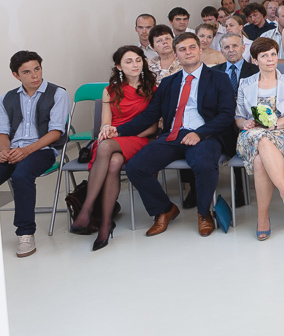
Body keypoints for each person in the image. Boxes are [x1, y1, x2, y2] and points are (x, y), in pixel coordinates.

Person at [118, 32, 236, 237]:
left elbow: (226, 115)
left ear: (200, 50)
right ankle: (164, 209)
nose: (187, 52)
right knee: (135, 167)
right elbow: (150, 115)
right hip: (173, 135)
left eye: (192, 47)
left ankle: (204, 213)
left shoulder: (219, 78)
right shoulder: (168, 83)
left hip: (205, 135)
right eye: (182, 49)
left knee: (204, 164)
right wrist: (119, 130)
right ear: (175, 55)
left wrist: (199, 134)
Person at [71, 46, 157, 249]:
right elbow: (106, 123)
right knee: (114, 161)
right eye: (129, 61)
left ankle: (87, 209)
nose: (135, 65)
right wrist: (106, 130)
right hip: (112, 139)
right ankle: (105, 224)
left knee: (106, 147)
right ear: (119, 66)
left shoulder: (152, 89)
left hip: (137, 138)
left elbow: (153, 127)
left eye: (138, 60)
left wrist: (119, 134)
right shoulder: (110, 90)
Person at [0, 51, 70, 258]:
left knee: (21, 176)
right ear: (16, 75)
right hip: (13, 150)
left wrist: (26, 151)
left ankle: (25, 233)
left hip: (42, 150)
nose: (34, 75)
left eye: (37, 69)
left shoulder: (57, 94)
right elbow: (3, 132)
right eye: (27, 72)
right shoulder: (6, 98)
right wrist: (4, 150)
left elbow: (56, 132)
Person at [234, 37, 284, 240]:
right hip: (251, 135)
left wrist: (274, 125)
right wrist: (245, 124)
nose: (270, 59)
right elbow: (238, 117)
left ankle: (262, 218)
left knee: (260, 161)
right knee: (261, 139)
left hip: (280, 132)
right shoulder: (246, 83)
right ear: (255, 60)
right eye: (264, 56)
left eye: (273, 54)